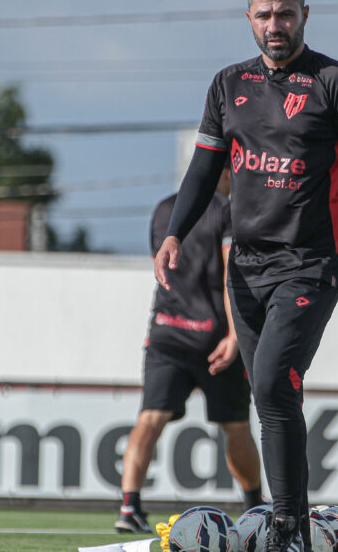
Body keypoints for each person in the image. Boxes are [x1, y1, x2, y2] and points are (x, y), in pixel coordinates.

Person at [153, 0, 338, 552]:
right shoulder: (228, 84)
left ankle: (285, 526)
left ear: (304, 15)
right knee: (272, 397)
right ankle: (297, 529)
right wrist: (176, 232)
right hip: (246, 268)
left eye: (285, 13)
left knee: (271, 383)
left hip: (311, 265)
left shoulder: (336, 83)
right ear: (249, 19)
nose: (275, 25)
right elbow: (204, 169)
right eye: (264, 15)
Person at [117, 166, 265, 533]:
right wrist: (234, 335)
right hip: (214, 338)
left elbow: (161, 266)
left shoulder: (163, 209)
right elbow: (232, 276)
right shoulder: (226, 209)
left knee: (149, 419)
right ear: (226, 171)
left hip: (166, 331)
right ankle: (254, 507)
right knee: (236, 425)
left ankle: (129, 507)